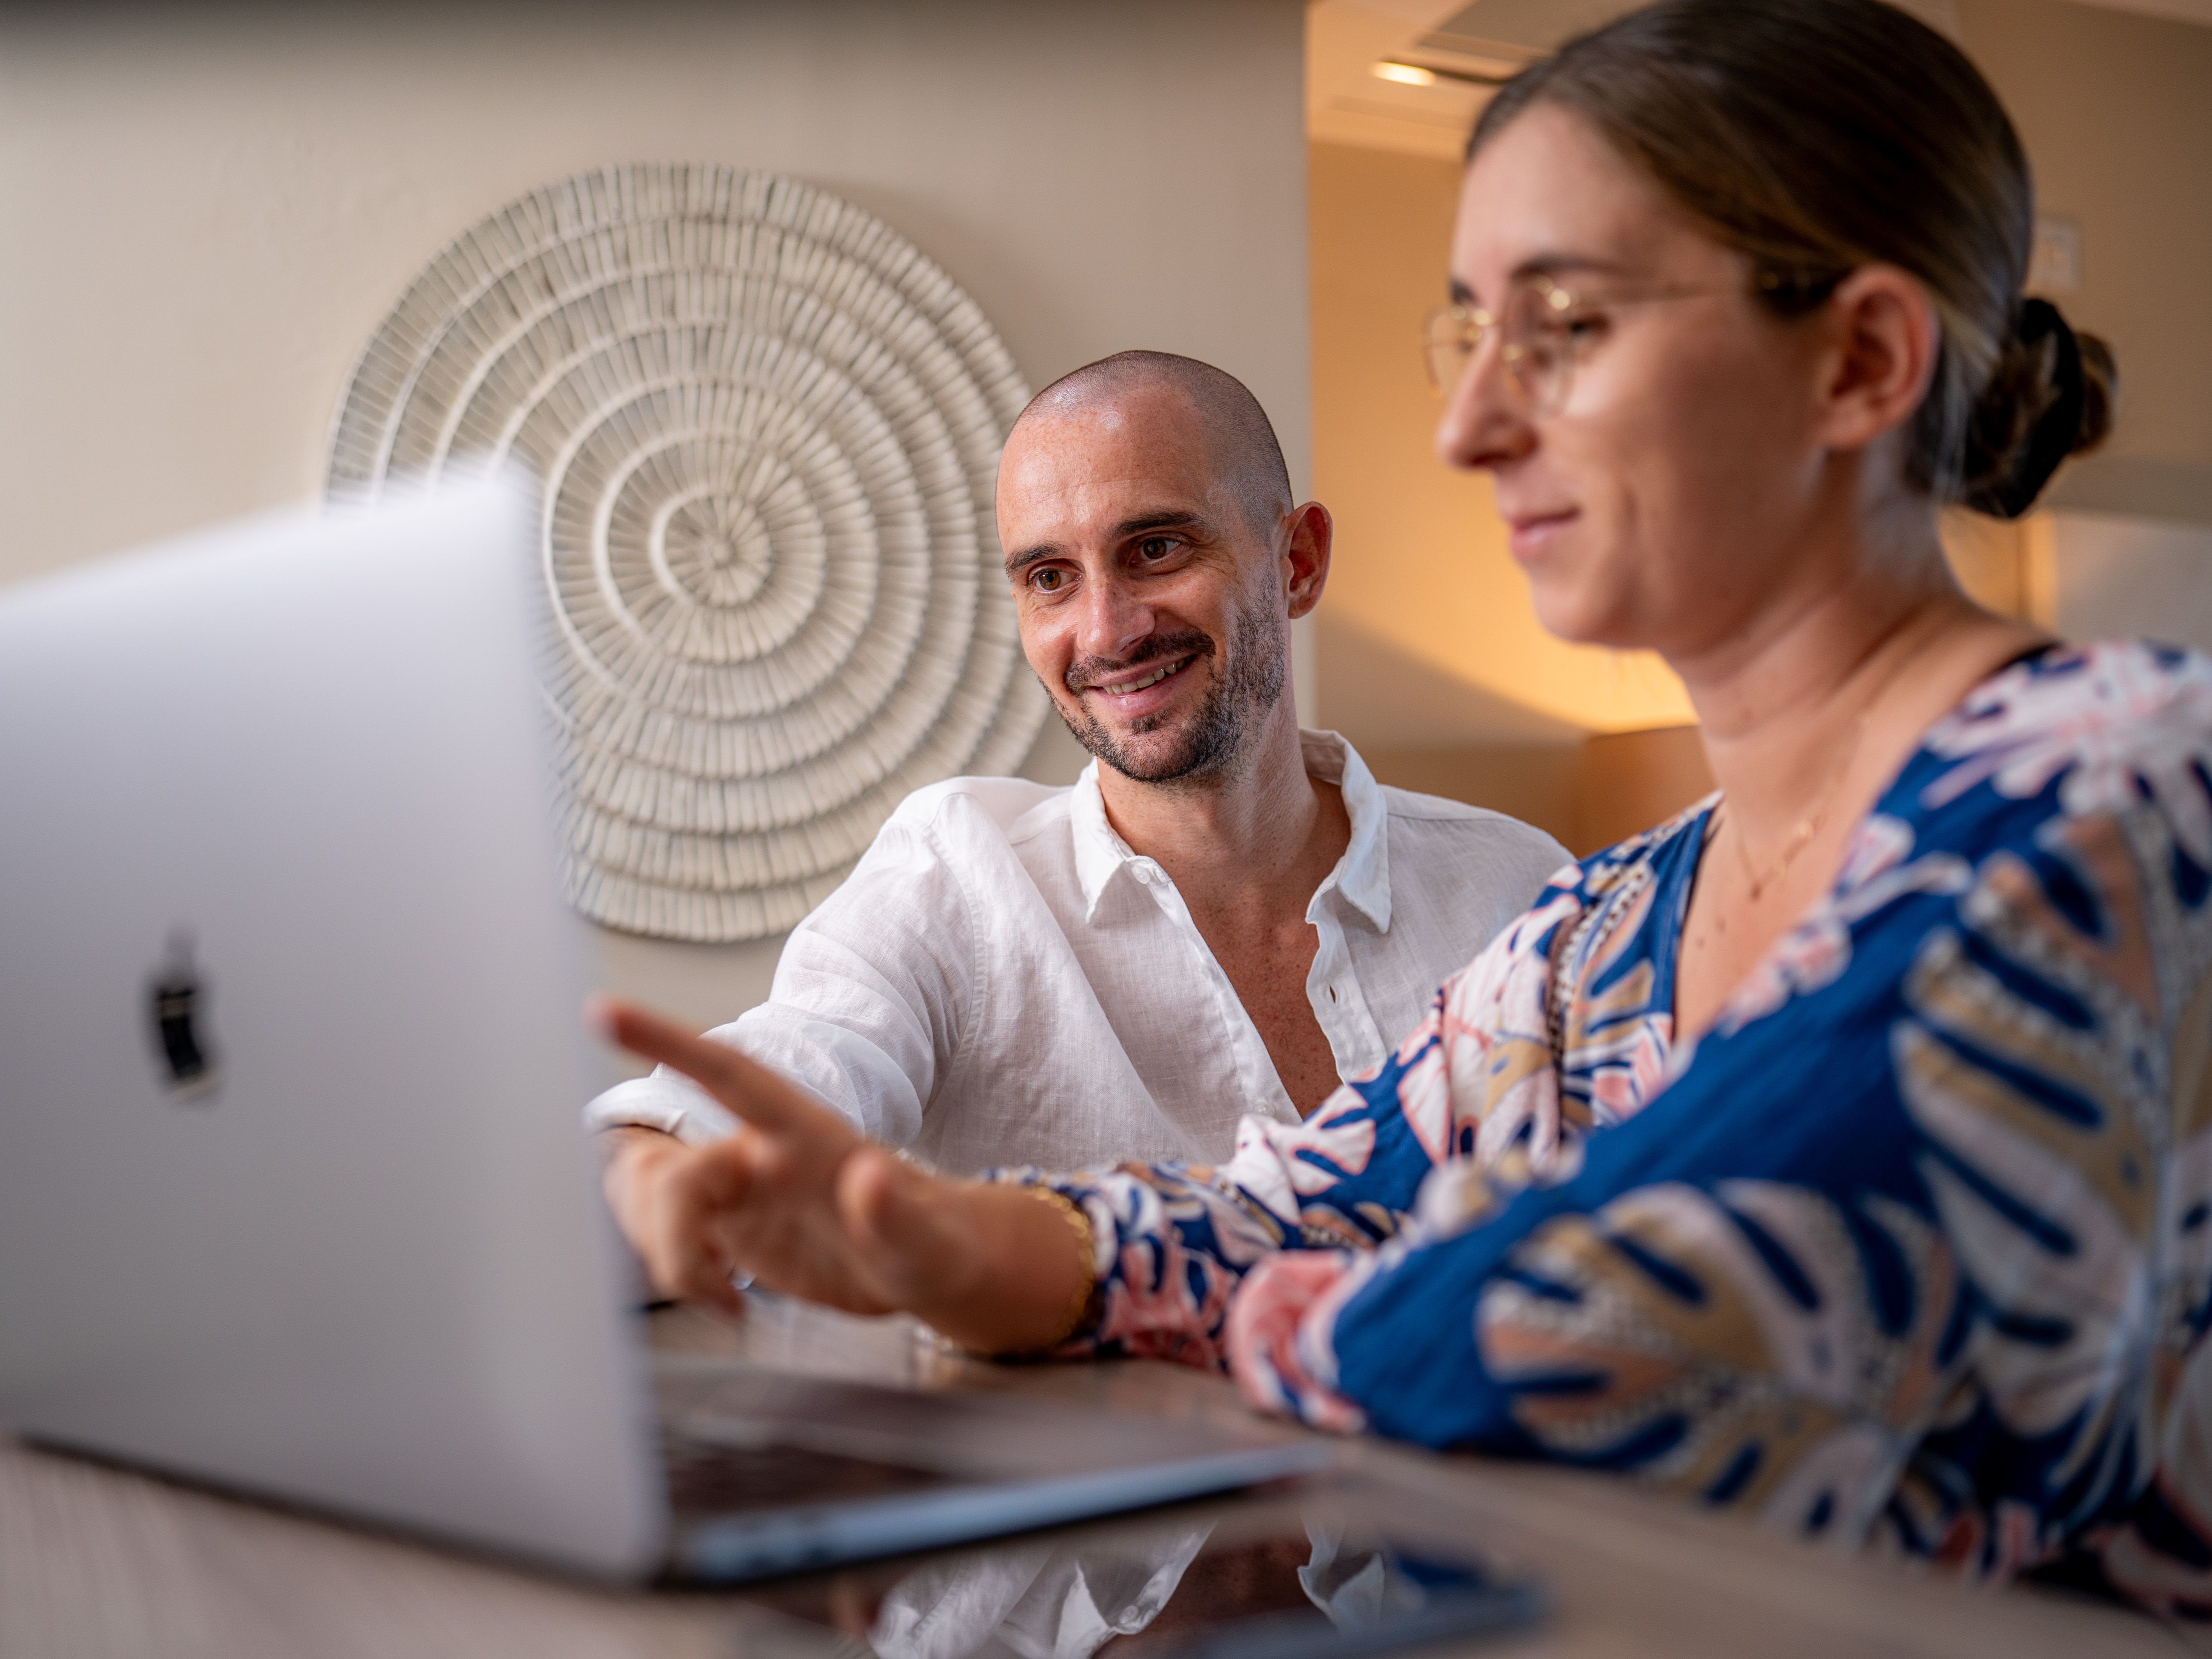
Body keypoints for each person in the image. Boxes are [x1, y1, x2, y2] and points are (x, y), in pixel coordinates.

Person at [589, 0, 2212, 1619]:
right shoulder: (1597, 930)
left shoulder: (2124, 787)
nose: (1468, 426)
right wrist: (957, 1248)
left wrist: (1035, 1272)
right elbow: (1291, 1204)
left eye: (1563, 326)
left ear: (1857, 359)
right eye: (1469, 334)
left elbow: (1606, 1330)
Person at [592, 353, 1569, 1289]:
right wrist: (648, 1177)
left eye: (1155, 548)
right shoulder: (958, 875)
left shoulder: (1519, 892)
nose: (1106, 631)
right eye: (1050, 577)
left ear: (1298, 561)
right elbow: (783, 1065)